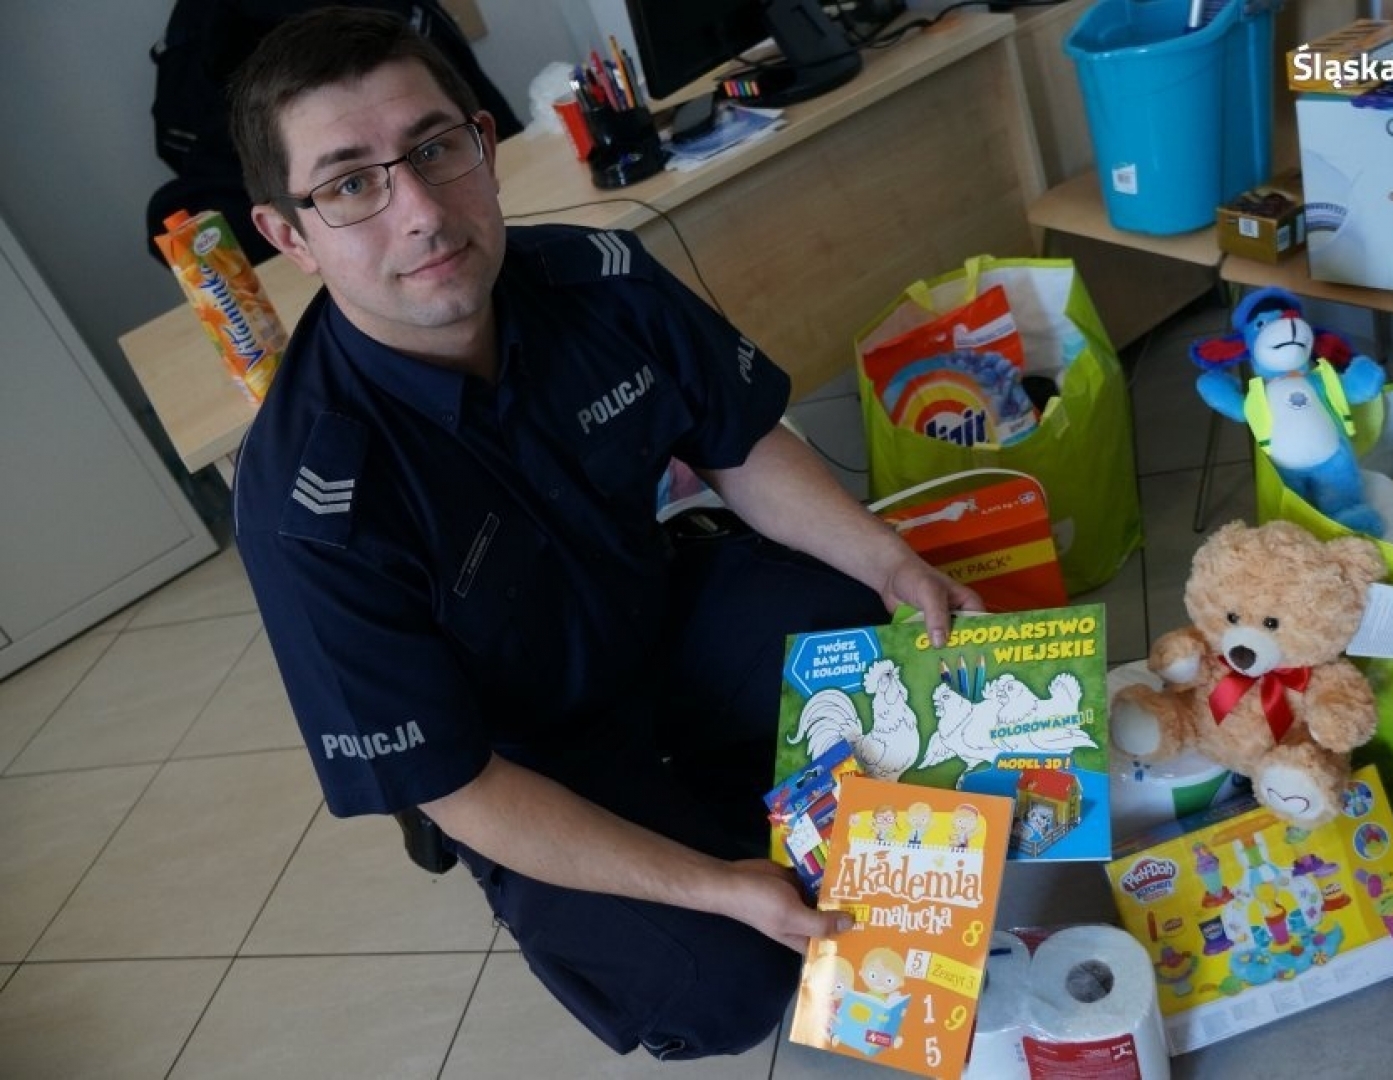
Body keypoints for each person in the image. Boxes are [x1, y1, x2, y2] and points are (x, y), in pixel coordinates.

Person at [226, 7, 981, 1062]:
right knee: (725, 985)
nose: (421, 213)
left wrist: (893, 560)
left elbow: (738, 442)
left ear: (485, 146)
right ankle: (670, 857)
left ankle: (719, 796)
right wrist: (714, 884)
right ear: (289, 236)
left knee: (864, 619)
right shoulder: (304, 505)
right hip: (522, 761)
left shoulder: (600, 278)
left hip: (656, 618)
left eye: (436, 149)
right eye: (351, 184)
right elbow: (455, 784)